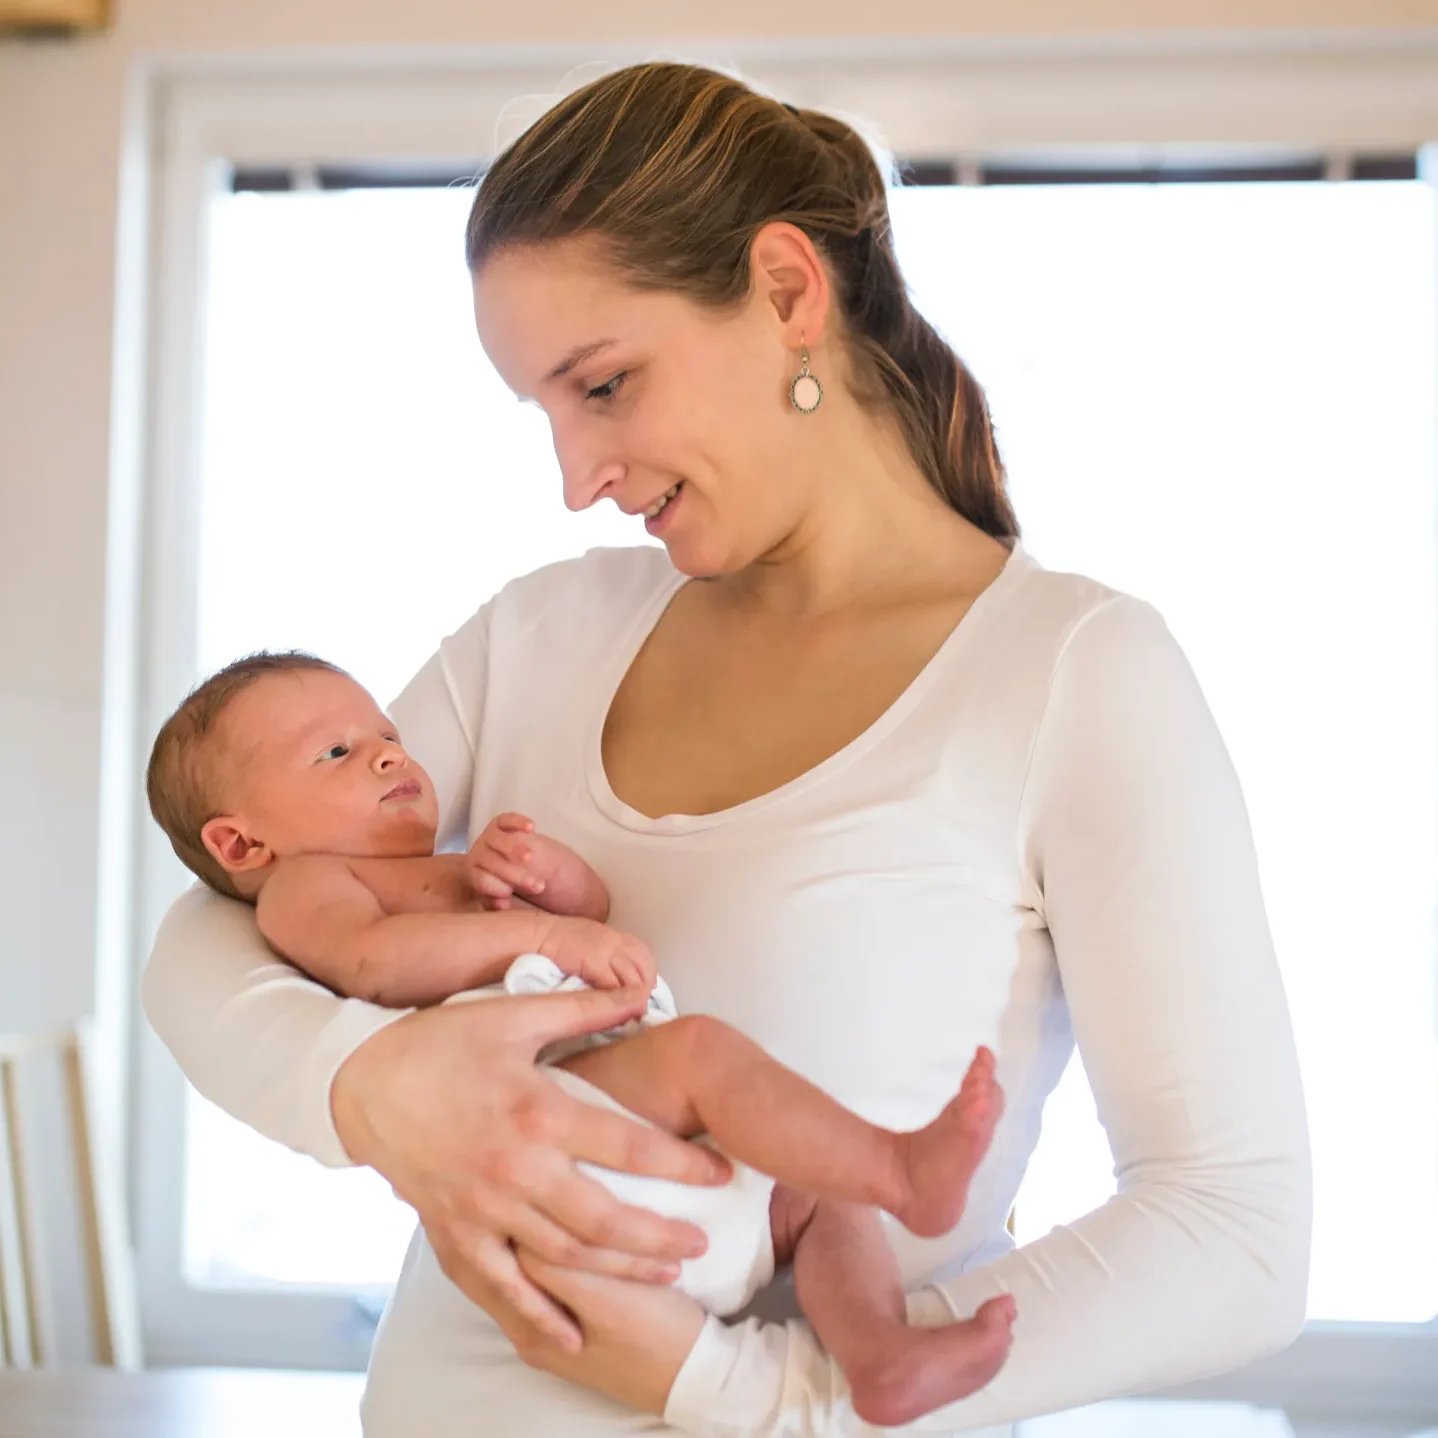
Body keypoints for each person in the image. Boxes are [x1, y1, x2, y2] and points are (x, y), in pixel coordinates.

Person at [143, 61, 1311, 1436]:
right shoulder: (541, 635)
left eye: (606, 385)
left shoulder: (1072, 673)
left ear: (784, 290)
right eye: (546, 414)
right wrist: (367, 1085)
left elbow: (1234, 1231)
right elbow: (214, 927)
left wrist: (768, 1396)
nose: (576, 477)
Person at [144, 650, 1017, 1424]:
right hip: (556, 1127)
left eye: (385, 733)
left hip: (680, 1187)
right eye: (335, 753)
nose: (386, 753)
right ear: (239, 841)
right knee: (702, 1054)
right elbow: (375, 964)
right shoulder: (311, 885)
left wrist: (547, 882)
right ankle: (898, 1168)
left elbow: (591, 909)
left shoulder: (442, 869)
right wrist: (540, 936)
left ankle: (878, 1354)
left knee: (824, 1196)